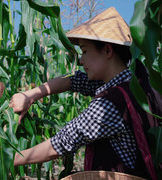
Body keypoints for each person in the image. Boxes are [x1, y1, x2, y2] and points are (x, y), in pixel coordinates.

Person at [9, 7, 161, 179]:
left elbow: (59, 144)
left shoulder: (109, 103)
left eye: (85, 51)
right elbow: (73, 80)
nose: (81, 60)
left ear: (107, 51)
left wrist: (9, 158)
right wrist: (31, 95)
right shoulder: (139, 79)